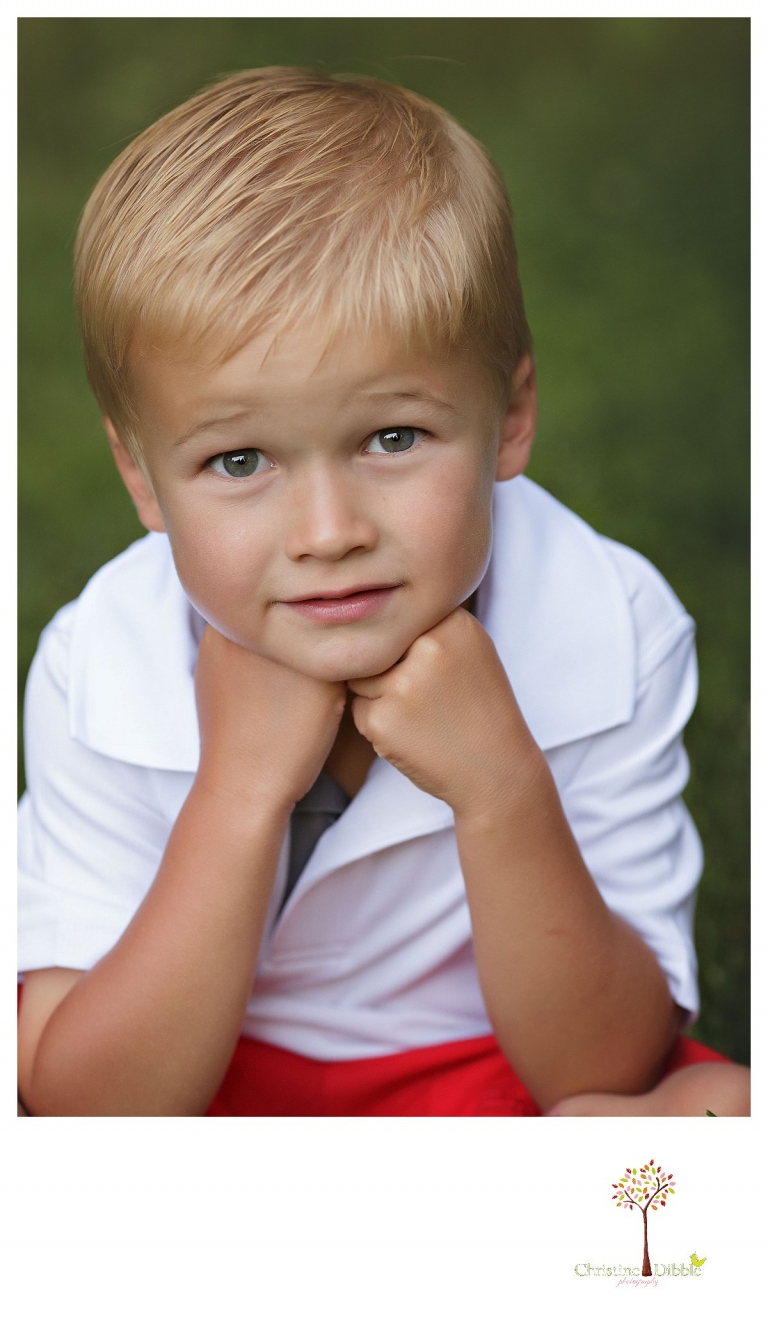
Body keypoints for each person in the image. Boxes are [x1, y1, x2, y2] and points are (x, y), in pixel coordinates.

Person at [17, 67, 749, 1117]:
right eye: (238, 462)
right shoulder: (101, 660)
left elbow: (602, 1070)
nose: (329, 535)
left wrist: (502, 785)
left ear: (510, 416)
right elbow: (89, 1108)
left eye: (392, 437)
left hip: (480, 1086)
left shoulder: (611, 620)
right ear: (141, 477)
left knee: (720, 1111)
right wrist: (238, 790)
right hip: (212, 1100)